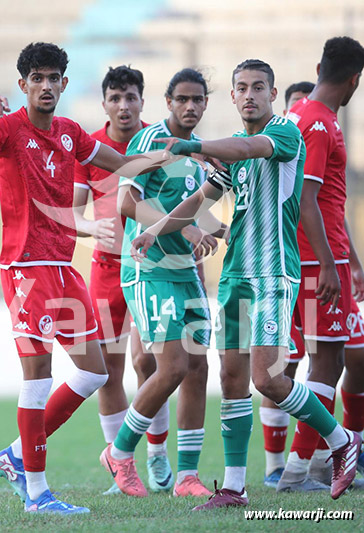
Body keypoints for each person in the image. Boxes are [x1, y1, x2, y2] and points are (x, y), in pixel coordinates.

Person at [130, 58, 361, 509]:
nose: (250, 94)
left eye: (259, 86)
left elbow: (244, 150)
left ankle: (341, 440)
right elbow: (203, 197)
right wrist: (154, 230)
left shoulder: (282, 134)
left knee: (267, 379)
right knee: (232, 378)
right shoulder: (235, 145)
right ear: (233, 97)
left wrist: (187, 146)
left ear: (273, 95)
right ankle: (234, 489)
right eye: (242, 87)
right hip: (236, 274)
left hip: (273, 274)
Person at [0, 42, 168, 514]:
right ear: (23, 85)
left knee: (94, 370)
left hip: (63, 268)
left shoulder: (70, 133)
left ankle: (15, 455)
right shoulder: (9, 129)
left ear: (65, 84)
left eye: (54, 78)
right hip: (25, 269)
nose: (47, 86)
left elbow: (116, 162)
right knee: (37, 375)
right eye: (38, 78)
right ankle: (37, 493)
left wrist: (168, 158)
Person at [99, 68, 225, 498]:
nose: (190, 106)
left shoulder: (199, 154)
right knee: (169, 366)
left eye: (198, 100)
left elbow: (189, 208)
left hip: (184, 271)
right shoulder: (149, 142)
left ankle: (187, 477)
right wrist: (186, 230)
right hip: (147, 269)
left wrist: (217, 228)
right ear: (168, 102)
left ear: (206, 103)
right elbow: (127, 201)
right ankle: (119, 452)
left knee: (197, 367)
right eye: (182, 99)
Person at [73, 65, 173, 494]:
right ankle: (120, 465)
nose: (124, 105)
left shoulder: (159, 143)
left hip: (152, 267)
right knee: (109, 371)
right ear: (105, 104)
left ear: (142, 101)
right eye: (115, 98)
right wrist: (92, 228)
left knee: (149, 362)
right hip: (106, 271)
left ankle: (156, 450)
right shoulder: (89, 149)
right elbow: (74, 214)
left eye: (130, 97)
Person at [262, 80, 364, 490]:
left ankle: (321, 460)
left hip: (318, 256)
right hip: (313, 260)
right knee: (311, 362)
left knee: (334, 359)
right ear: (354, 80)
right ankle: (296, 468)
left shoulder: (305, 117)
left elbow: (327, 205)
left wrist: (350, 260)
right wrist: (327, 261)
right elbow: (307, 199)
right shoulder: (318, 124)